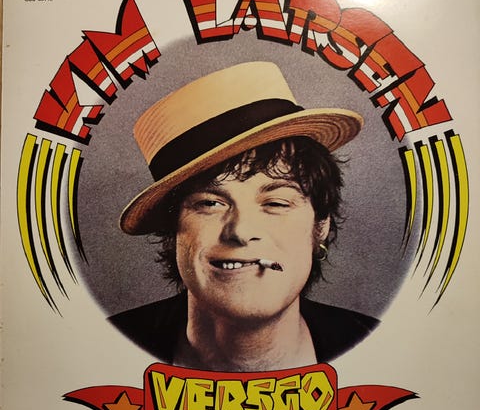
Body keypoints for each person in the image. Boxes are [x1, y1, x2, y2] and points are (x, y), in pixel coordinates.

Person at [110, 61, 378, 371]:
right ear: (173, 232)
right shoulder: (106, 349)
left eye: (276, 203)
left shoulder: (380, 349)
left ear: (320, 226)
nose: (241, 230)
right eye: (210, 203)